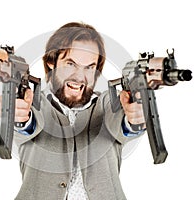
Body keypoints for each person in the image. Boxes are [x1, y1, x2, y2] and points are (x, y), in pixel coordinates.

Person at [11, 22, 145, 200]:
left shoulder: (109, 103)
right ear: (51, 62)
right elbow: (25, 128)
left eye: (89, 67)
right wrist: (21, 118)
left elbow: (123, 127)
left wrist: (134, 121)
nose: (79, 76)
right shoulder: (33, 103)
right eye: (70, 64)